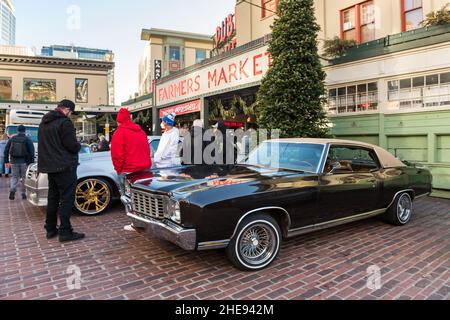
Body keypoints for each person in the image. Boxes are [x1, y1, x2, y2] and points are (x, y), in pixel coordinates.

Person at [38, 99, 84, 242]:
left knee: (53, 198)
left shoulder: (44, 122)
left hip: (50, 167)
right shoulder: (64, 123)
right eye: (71, 112)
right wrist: (78, 145)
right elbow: (71, 145)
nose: (70, 115)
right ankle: (65, 231)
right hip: (64, 166)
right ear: (67, 109)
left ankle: (50, 229)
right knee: (67, 199)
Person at [110, 108, 151, 196]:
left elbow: (117, 155)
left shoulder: (119, 133)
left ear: (118, 120)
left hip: (128, 171)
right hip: (145, 169)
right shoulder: (141, 131)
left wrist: (119, 170)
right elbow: (147, 150)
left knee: (128, 199)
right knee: (144, 198)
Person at [4, 125, 35, 200]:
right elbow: (32, 151)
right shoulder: (27, 139)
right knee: (24, 177)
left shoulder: (12, 138)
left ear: (17, 130)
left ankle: (12, 190)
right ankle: (23, 193)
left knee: (14, 177)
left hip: (14, 161)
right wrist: (31, 163)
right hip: (24, 162)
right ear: (25, 130)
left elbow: (6, 150)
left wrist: (6, 161)